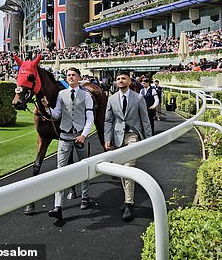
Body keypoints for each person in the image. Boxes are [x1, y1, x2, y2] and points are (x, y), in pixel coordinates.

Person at [41, 67, 94, 221]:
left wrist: (84, 135)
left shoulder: (86, 95)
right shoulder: (61, 94)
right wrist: (46, 107)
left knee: (84, 166)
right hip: (64, 136)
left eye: (73, 75)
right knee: (60, 170)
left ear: (79, 77)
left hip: (80, 136)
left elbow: (89, 118)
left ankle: (85, 196)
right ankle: (58, 206)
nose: (70, 77)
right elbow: (57, 113)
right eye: (69, 75)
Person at [104, 71, 152, 221]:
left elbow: (145, 118)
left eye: (123, 78)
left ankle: (129, 203)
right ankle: (127, 198)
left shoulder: (138, 98)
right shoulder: (111, 99)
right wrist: (107, 138)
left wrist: (149, 139)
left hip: (133, 136)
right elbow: (108, 120)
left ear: (129, 81)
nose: (120, 81)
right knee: (123, 171)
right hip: (118, 138)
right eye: (118, 79)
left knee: (129, 168)